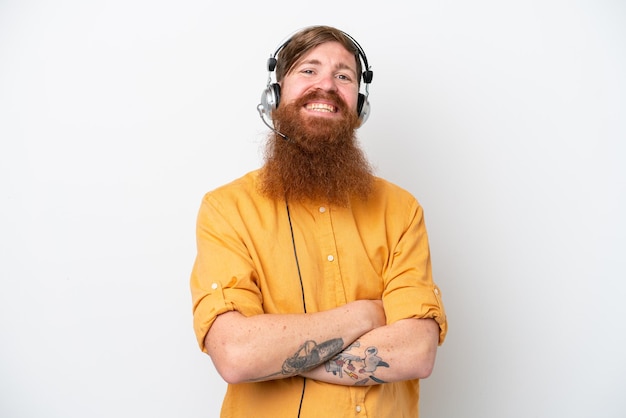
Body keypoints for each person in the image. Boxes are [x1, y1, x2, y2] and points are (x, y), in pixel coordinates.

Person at [190, 25, 448, 418]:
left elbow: (416, 352)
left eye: (344, 76)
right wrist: (365, 315)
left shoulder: (401, 210)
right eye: (308, 71)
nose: (326, 85)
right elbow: (237, 355)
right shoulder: (227, 209)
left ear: (358, 106)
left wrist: (277, 356)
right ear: (275, 94)